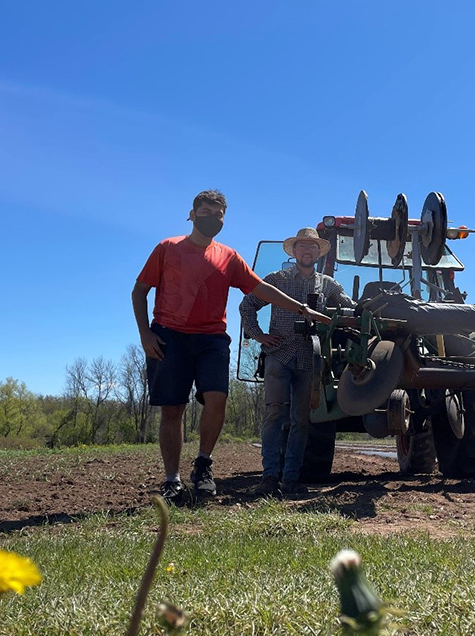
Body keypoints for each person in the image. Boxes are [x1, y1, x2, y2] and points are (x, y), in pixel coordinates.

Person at [132, 191, 331, 505]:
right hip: (169, 336)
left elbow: (260, 288)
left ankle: (203, 464)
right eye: (206, 211)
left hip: (212, 338)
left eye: (218, 214)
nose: (212, 218)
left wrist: (303, 310)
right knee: (173, 410)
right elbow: (139, 291)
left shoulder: (229, 256)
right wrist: (145, 335)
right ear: (193, 214)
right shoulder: (167, 248)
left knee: (217, 399)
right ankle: (172, 480)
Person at [240, 227, 354, 496]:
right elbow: (247, 305)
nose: (306, 250)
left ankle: (290, 479)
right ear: (294, 251)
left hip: (309, 359)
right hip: (278, 356)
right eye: (302, 246)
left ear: (318, 253)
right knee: (274, 414)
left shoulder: (328, 285)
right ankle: (269, 478)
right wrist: (259, 336)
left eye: (312, 247)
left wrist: (368, 307)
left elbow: (350, 310)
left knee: (302, 420)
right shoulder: (275, 280)